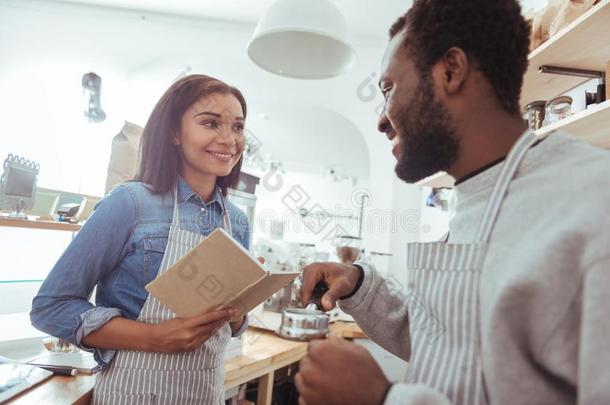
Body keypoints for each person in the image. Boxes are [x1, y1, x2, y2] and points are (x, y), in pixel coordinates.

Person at [297, 1, 610, 404]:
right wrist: (359, 286)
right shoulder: (478, 196)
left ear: (451, 71)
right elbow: (454, 346)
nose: (380, 119)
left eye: (389, 89)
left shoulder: (593, 204)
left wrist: (383, 398)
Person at [30, 74, 252, 404]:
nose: (229, 139)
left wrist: (237, 316)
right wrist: (155, 337)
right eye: (210, 123)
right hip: (133, 391)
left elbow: (234, 327)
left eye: (237, 127)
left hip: (205, 394)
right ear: (174, 133)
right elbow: (50, 307)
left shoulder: (237, 222)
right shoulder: (129, 203)